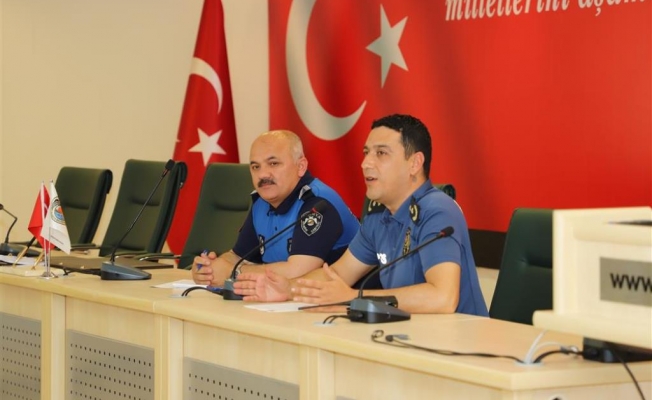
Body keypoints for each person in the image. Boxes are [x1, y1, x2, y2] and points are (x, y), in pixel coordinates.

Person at [234, 114, 488, 316]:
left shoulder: (437, 210)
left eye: (381, 153)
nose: (366, 163)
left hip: (459, 348)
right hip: (405, 339)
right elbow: (338, 274)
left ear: (414, 163)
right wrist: (288, 289)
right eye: (366, 153)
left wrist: (352, 298)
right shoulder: (378, 217)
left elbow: (442, 298)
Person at [192, 130, 360, 287]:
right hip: (283, 299)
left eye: (273, 163)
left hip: (341, 300)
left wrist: (234, 272)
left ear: (301, 166)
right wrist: (210, 268)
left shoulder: (318, 204)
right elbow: (238, 256)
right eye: (255, 167)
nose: (263, 174)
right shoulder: (262, 202)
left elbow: (298, 272)